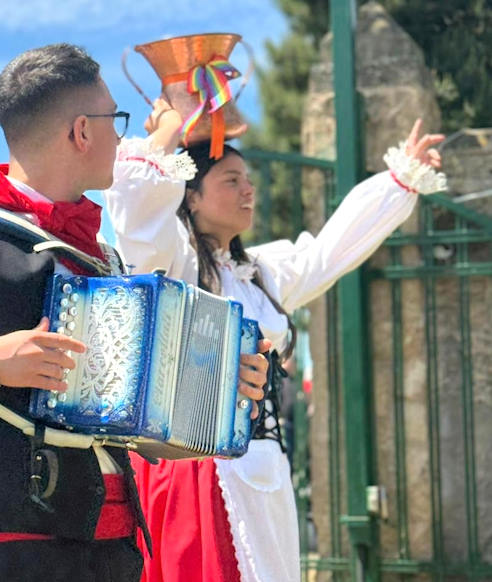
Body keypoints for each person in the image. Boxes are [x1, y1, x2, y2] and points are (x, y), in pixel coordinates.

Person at [0, 44, 269, 581]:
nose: (121, 136)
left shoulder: (106, 257)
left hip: (116, 549)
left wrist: (219, 390)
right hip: (8, 553)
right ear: (82, 131)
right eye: (114, 121)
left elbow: (124, 425)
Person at [102, 99, 446, 582]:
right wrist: (166, 137)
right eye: (231, 181)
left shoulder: (259, 273)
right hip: (196, 472)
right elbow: (138, 219)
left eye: (249, 181)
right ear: (191, 197)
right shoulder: (176, 265)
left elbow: (330, 252)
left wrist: (400, 180)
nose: (248, 191)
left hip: (265, 468)